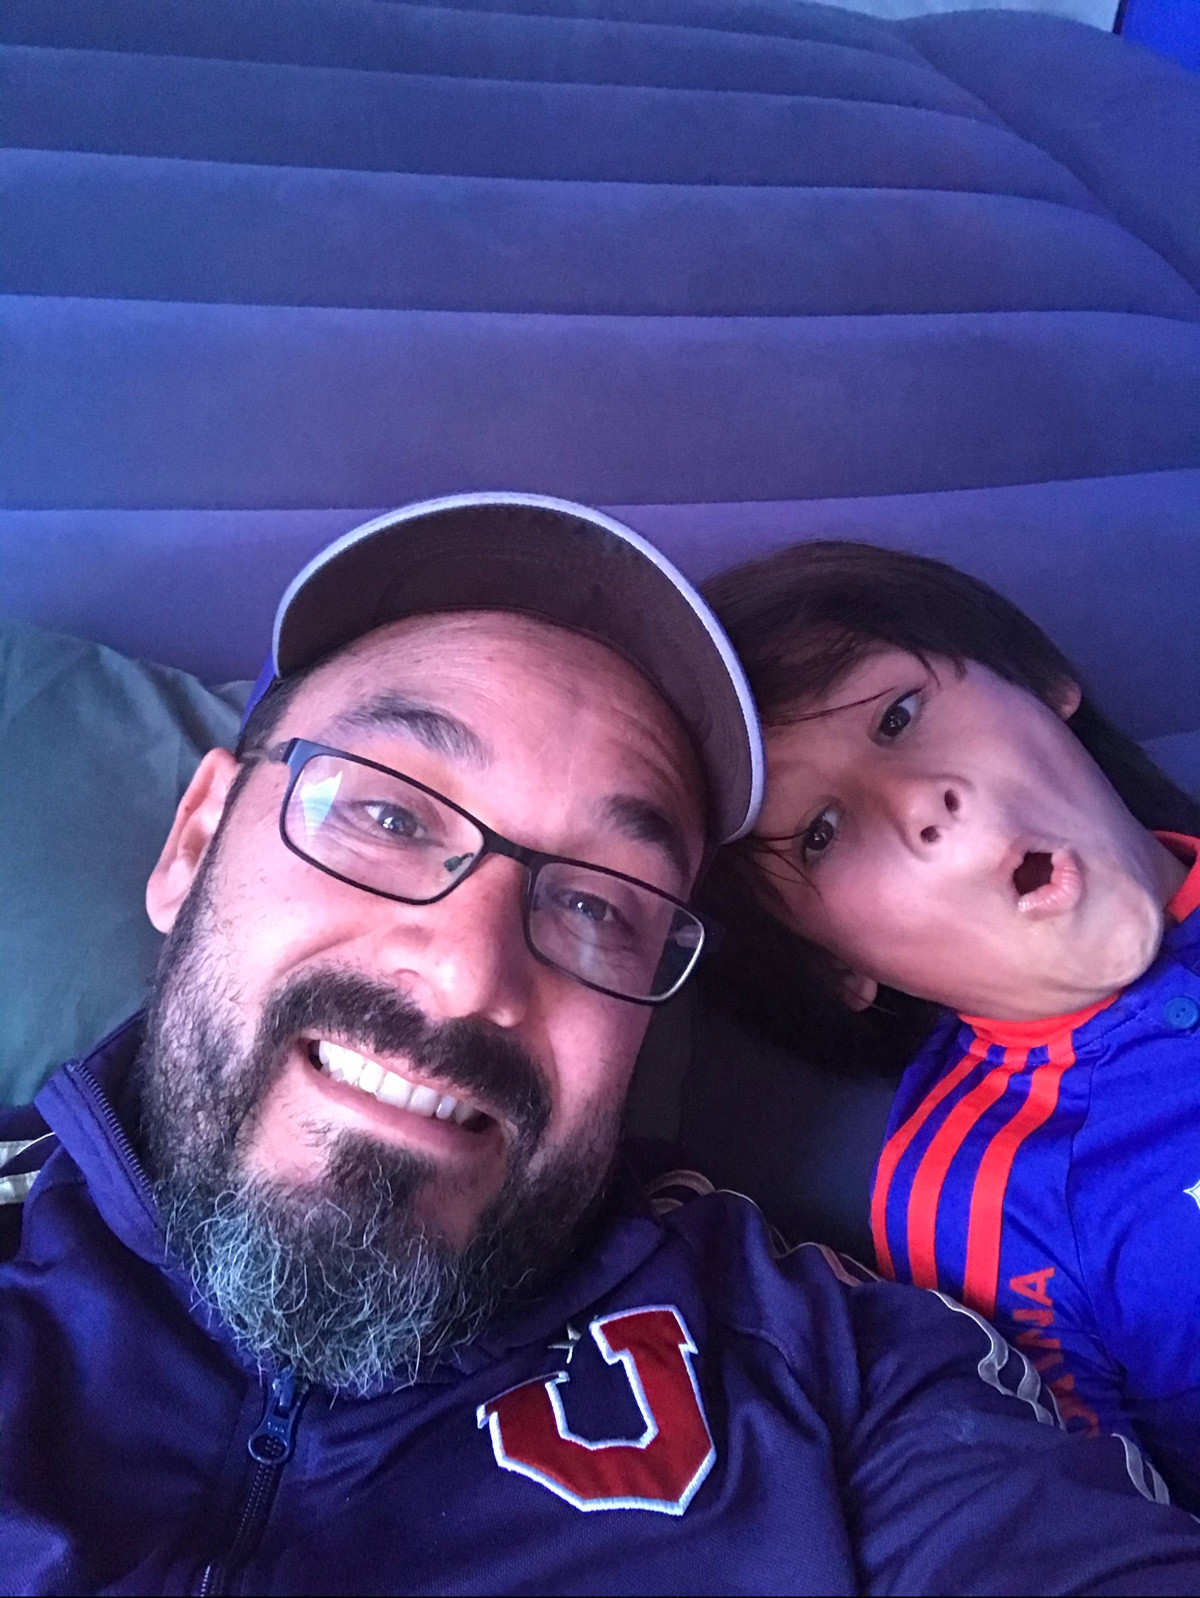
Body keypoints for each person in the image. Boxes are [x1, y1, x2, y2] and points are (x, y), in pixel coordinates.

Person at [3, 496, 1200, 1597]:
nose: (468, 974)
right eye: (385, 812)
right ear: (195, 839)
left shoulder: (829, 1367)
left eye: (597, 901)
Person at [702, 537, 1200, 1513]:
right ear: (838, 969)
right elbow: (1100, 1521)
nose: (920, 804)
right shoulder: (976, 1200)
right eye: (819, 834)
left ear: (1044, 683)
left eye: (897, 714)